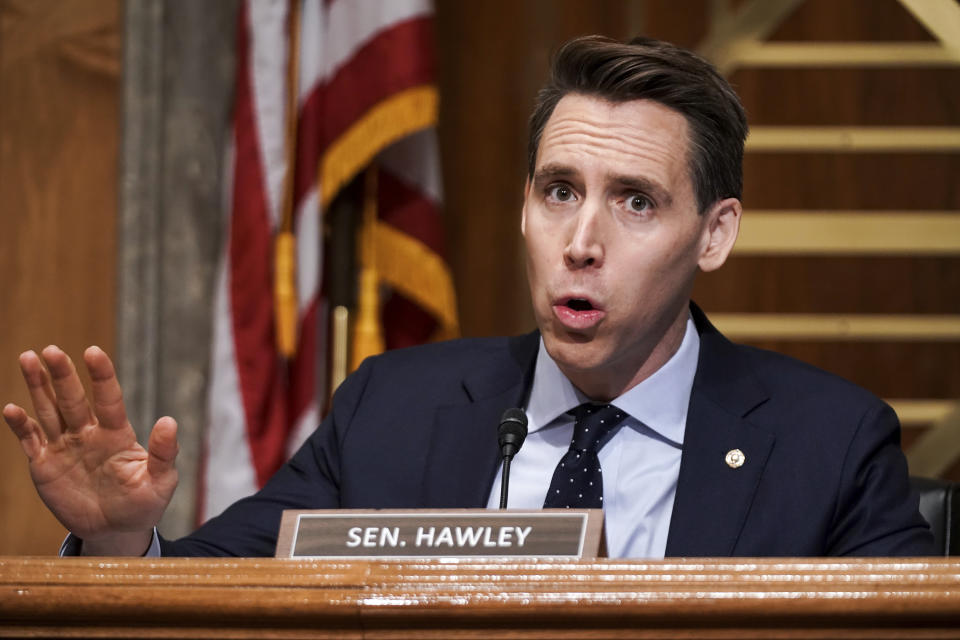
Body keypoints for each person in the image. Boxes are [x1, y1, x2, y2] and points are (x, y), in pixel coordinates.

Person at [4, 36, 934, 558]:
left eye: (636, 202)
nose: (581, 242)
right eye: (559, 190)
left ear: (715, 233)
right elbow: (221, 596)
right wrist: (126, 538)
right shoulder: (393, 411)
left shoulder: (832, 444)